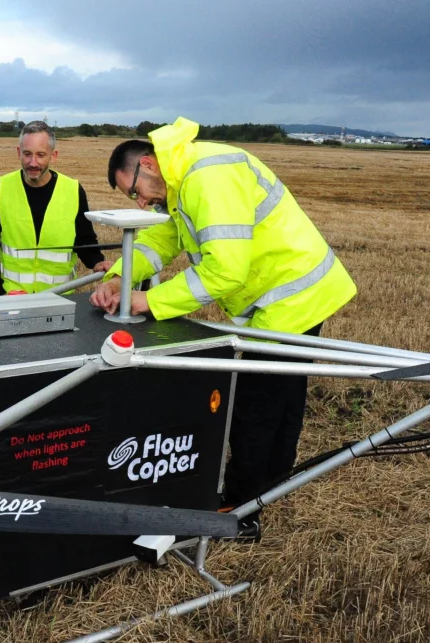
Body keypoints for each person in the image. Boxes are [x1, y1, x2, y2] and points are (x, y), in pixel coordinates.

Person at [90, 118, 357, 520]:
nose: (140, 203)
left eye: (135, 191)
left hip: (290, 299)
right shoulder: (181, 180)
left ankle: (239, 506)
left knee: (256, 404)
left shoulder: (205, 177)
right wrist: (117, 279)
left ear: (148, 163)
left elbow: (224, 271)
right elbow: (162, 240)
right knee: (284, 395)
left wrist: (151, 301)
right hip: (301, 292)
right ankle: (272, 483)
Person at [0, 120, 103, 295]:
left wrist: (97, 262)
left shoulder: (73, 190)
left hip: (60, 297)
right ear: (18, 153)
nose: (33, 163)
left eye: (41, 155)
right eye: (27, 154)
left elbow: (84, 240)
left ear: (53, 156)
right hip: (11, 297)